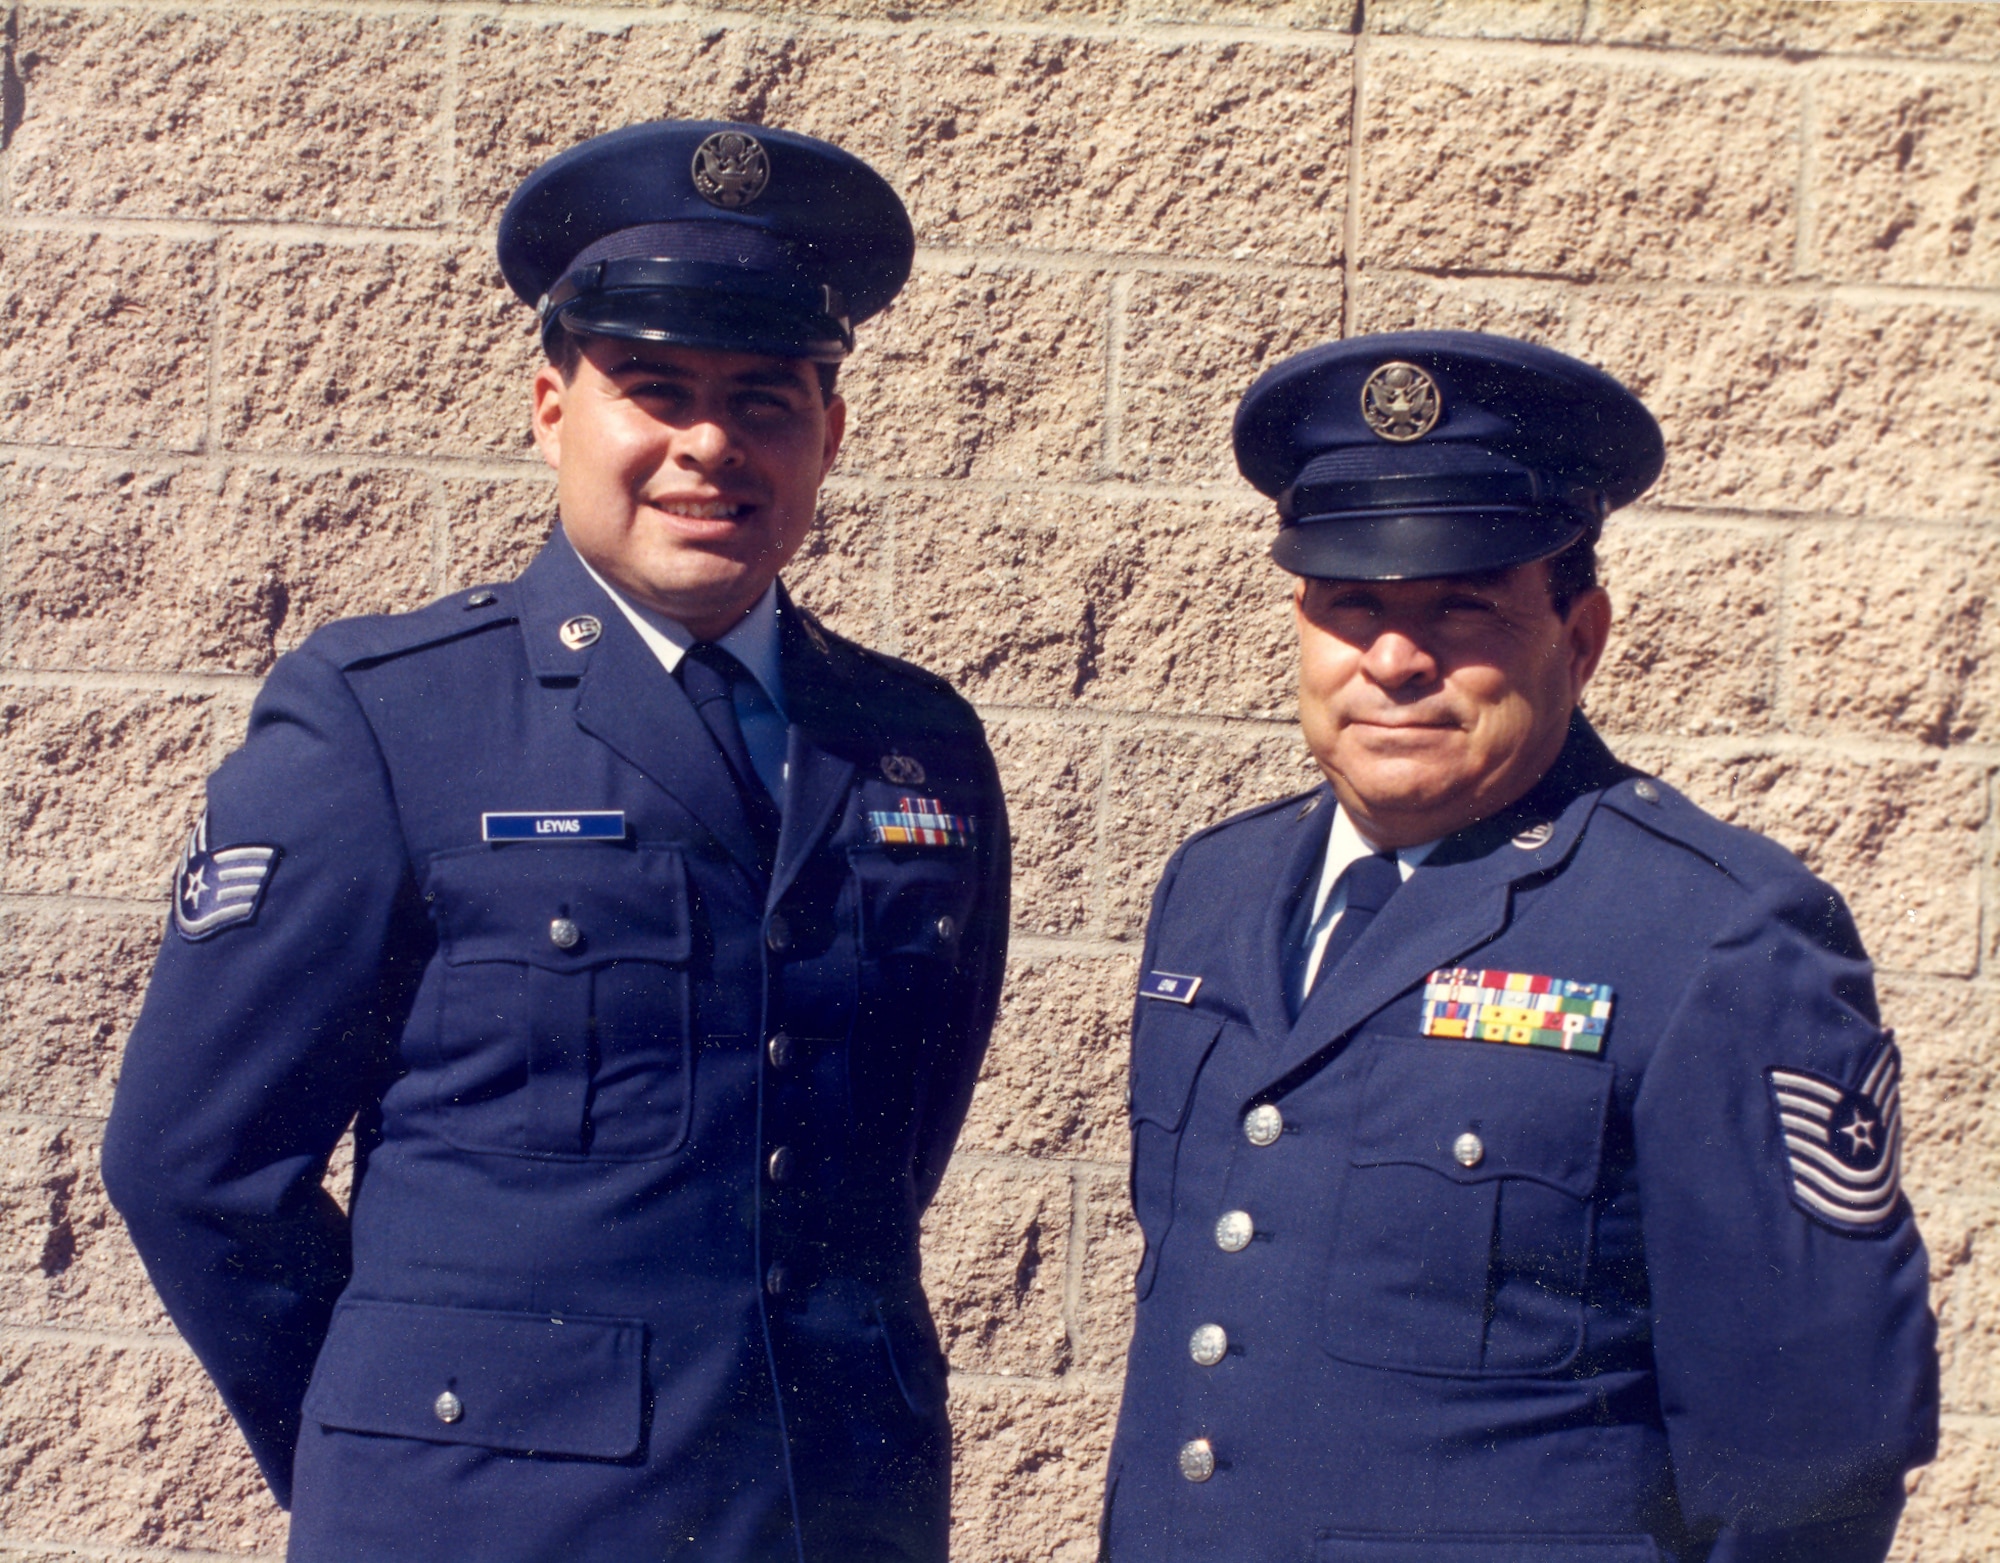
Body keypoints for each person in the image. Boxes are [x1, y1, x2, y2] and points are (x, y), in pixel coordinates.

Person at [102, 120, 1009, 1563]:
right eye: (654, 390)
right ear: (550, 409)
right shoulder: (387, 717)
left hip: (831, 1509)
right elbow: (192, 1164)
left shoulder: (914, 744)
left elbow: (886, 1152)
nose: (709, 445)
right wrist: (390, 1442)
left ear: (828, 433)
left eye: (764, 399)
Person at [1100, 332, 1937, 1563]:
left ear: (1579, 635)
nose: (1393, 660)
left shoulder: (1710, 932)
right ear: (1299, 620)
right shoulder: (1214, 888)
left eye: (1462, 604)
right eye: (1352, 604)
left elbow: (1810, 1449)